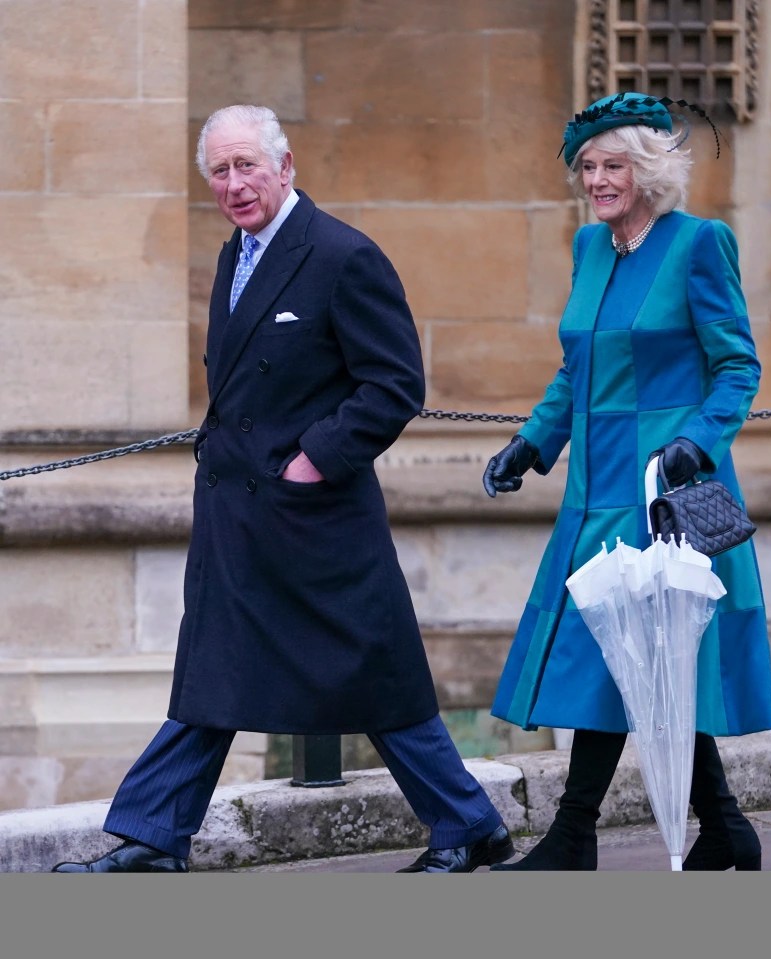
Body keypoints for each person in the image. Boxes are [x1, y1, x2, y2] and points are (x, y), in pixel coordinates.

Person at [51, 104, 513, 874]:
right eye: (220, 172)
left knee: (374, 674)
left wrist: (313, 460)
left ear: (285, 166)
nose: (234, 185)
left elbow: (394, 384)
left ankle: (469, 825)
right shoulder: (235, 255)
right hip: (235, 510)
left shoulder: (342, 254)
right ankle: (154, 836)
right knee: (213, 671)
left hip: (315, 516)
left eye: (247, 167)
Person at [482, 91, 771, 871]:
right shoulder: (588, 248)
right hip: (592, 490)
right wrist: (530, 442)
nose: (596, 179)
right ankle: (726, 826)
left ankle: (573, 834)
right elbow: (575, 368)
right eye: (586, 166)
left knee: (621, 654)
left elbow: (736, 365)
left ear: (646, 173)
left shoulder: (697, 244)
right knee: (645, 656)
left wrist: (696, 439)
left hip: (662, 493)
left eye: (612, 165)